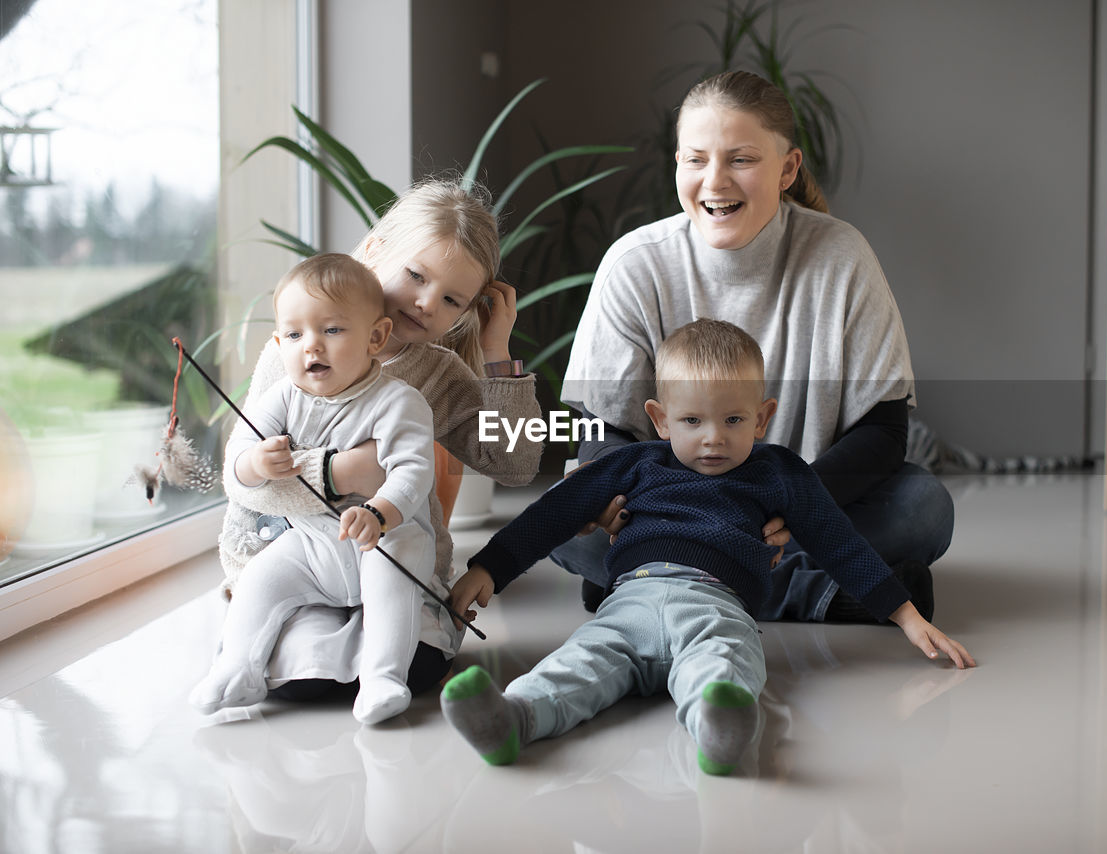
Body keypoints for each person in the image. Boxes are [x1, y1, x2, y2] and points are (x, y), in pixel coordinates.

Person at [442, 320, 974, 775]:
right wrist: (489, 567)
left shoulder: (778, 471)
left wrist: (904, 615)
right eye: (692, 421)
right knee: (578, 662)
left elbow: (837, 540)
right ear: (659, 418)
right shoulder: (634, 463)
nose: (713, 438)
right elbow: (551, 515)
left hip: (717, 606)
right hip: (630, 601)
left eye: (734, 420)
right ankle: (512, 719)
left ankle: (721, 734)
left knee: (722, 667)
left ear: (762, 418)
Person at [554, 70, 952, 623]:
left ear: (788, 168)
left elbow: (884, 430)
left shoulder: (843, 257)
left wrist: (795, 498)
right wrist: (617, 497)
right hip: (673, 506)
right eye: (696, 160)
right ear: (677, 164)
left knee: (923, 508)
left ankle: (657, 580)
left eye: (740, 159)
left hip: (798, 508)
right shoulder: (634, 264)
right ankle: (830, 592)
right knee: (563, 523)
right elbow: (604, 428)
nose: (714, 181)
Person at [217, 177, 543, 701]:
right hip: (292, 559)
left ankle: (381, 676)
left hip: (392, 562)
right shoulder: (292, 353)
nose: (426, 302)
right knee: (297, 677)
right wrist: (341, 472)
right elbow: (245, 484)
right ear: (374, 250)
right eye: (415, 274)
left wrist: (498, 353)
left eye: (452, 300)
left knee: (410, 663)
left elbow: (514, 464)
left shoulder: (438, 371)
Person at [193, 253, 449, 723]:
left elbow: (413, 473)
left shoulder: (398, 401)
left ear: (376, 337)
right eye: (294, 335)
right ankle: (237, 668)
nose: (312, 347)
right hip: (313, 544)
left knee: (393, 575)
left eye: (332, 330)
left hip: (384, 539)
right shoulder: (281, 399)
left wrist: (380, 514)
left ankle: (381, 678)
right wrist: (255, 463)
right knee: (261, 578)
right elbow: (235, 468)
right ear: (278, 342)